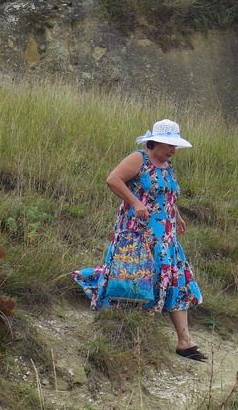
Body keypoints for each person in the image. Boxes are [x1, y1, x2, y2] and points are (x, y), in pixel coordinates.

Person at [73, 118, 206, 362]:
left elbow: (166, 194)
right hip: (138, 231)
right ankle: (131, 328)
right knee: (139, 278)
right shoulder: (139, 159)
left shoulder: (167, 164)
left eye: (175, 146)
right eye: (169, 145)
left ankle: (184, 340)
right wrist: (135, 203)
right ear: (154, 143)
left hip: (165, 234)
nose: (173, 151)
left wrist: (177, 216)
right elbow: (113, 179)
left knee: (175, 279)